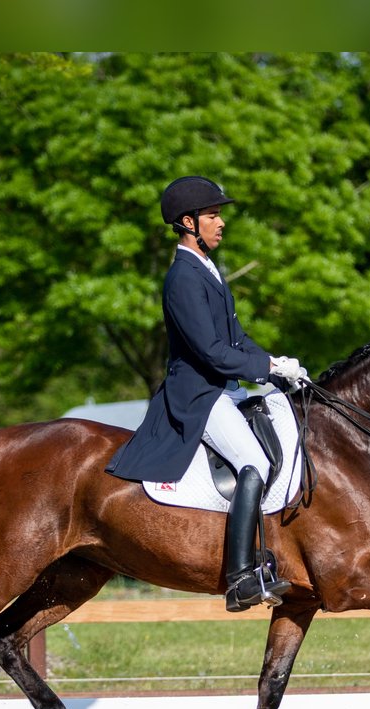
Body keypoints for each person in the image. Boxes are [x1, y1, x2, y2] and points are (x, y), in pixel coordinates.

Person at [106, 176, 306, 613]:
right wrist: (267, 368)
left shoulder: (209, 271)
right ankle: (241, 577)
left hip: (220, 389)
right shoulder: (183, 277)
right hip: (197, 394)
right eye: (213, 215)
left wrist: (278, 368)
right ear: (187, 222)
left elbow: (237, 339)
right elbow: (212, 353)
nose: (221, 223)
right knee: (253, 461)